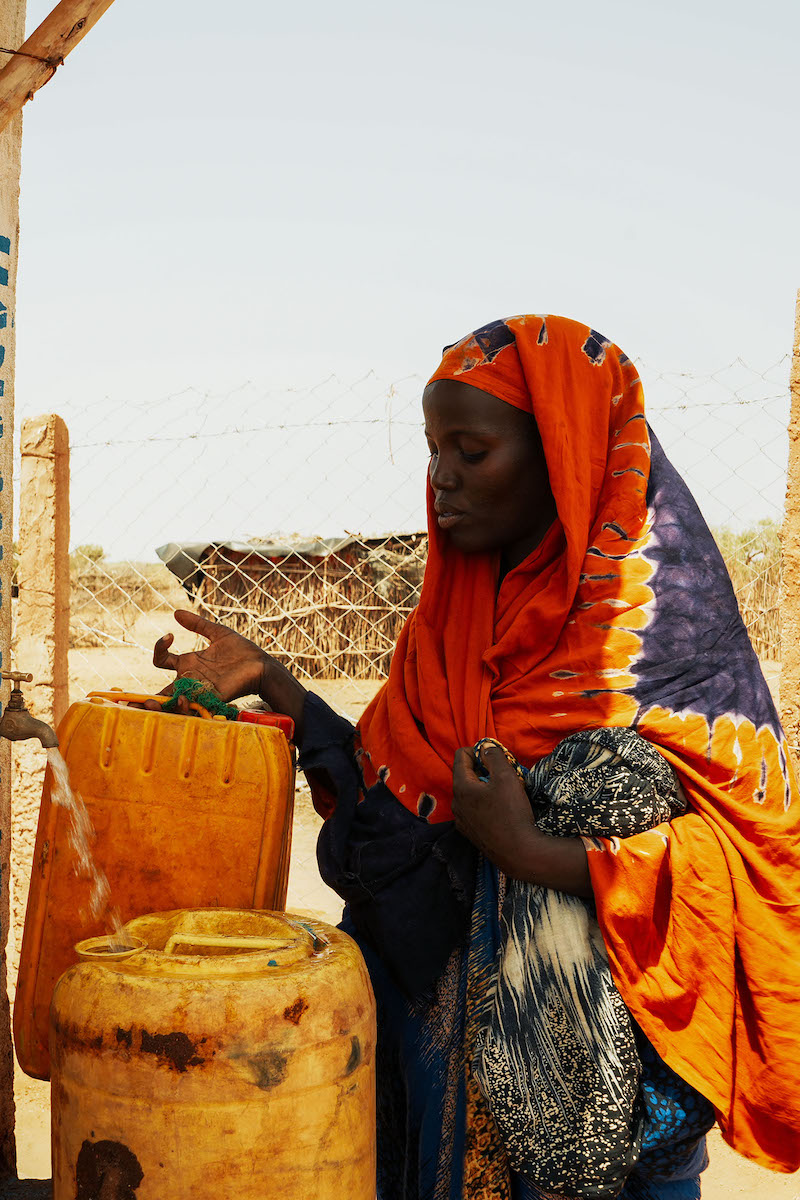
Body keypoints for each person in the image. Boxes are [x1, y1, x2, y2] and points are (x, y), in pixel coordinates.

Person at [152, 315, 800, 1200]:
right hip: (434, 1064)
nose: (442, 478)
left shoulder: (664, 646)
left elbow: (747, 868)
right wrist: (285, 692)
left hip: (592, 1108)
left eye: (472, 449)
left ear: (566, 459)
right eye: (432, 449)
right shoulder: (448, 627)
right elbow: (392, 788)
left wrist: (535, 855)